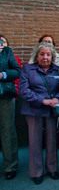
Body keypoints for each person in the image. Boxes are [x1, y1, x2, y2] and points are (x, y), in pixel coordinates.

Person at [19, 42, 59, 184]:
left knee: (52, 141)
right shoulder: (27, 69)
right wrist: (42, 100)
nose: (45, 57)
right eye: (42, 54)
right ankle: (36, 172)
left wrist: (58, 98)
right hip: (34, 110)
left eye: (48, 54)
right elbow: (24, 91)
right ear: (36, 56)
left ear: (52, 57)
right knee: (35, 142)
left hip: (52, 110)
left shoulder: (58, 70)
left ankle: (52, 169)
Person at [0, 35, 21, 180]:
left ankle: (10, 166)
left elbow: (17, 71)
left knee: (8, 130)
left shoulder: (7, 52)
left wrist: (3, 74)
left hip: (5, 95)